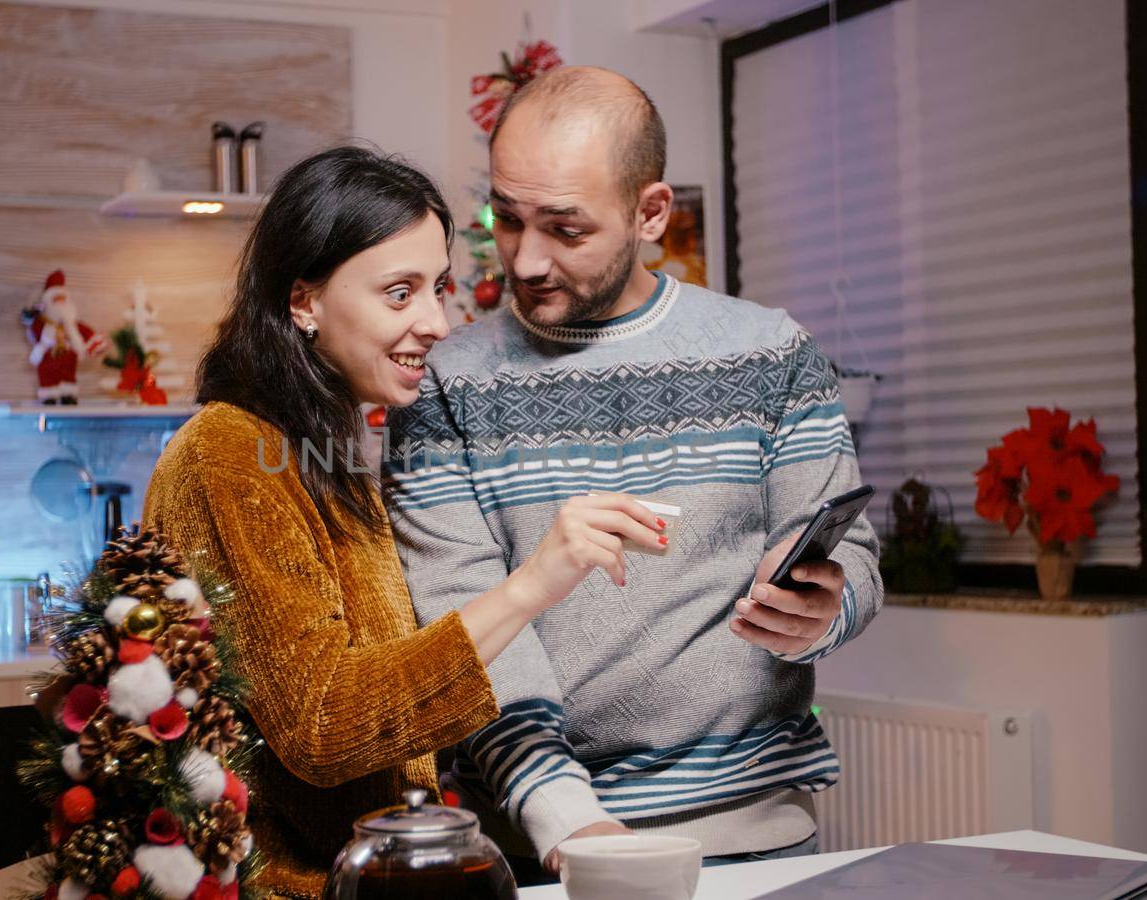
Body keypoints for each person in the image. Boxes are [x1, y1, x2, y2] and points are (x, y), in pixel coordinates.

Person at [384, 67, 884, 881]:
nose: (528, 258)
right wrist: (568, 820)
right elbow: (463, 627)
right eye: (505, 219)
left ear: (651, 212)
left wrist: (823, 608)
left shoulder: (771, 352)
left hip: (753, 839)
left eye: (567, 229)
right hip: (541, 846)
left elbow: (851, 558)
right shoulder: (446, 382)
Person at [141, 145, 663, 899]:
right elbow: (324, 725)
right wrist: (529, 587)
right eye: (399, 293)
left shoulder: (321, 450)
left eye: (440, 289)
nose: (437, 321)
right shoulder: (228, 454)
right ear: (303, 301)